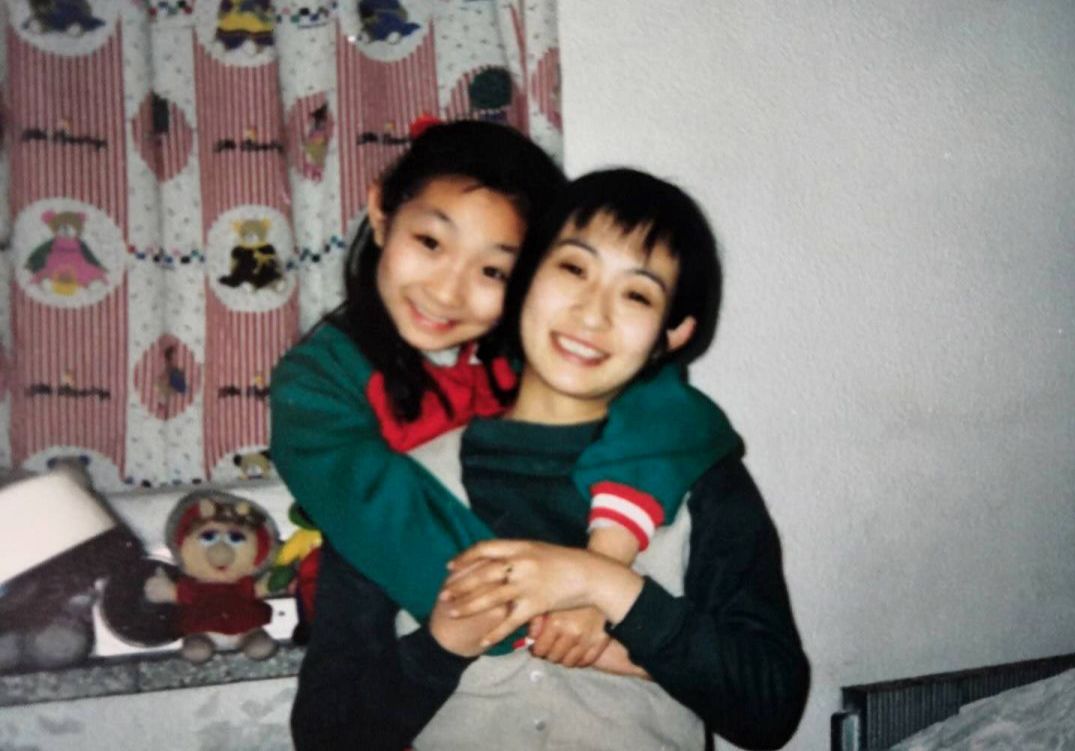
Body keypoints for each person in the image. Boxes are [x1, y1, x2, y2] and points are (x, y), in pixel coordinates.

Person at [291, 169, 810, 750]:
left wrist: (606, 586)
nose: (592, 314)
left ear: (673, 333)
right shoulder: (399, 486)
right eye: (573, 269)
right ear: (524, 278)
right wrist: (440, 647)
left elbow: (771, 708)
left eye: (637, 295)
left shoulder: (702, 477)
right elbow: (323, 737)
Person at [270, 122, 736, 650]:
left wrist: (604, 559)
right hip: (397, 646)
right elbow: (402, 537)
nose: (446, 292)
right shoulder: (316, 387)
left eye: (493, 271)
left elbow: (672, 408)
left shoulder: (525, 354)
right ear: (381, 212)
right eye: (430, 242)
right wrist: (586, 618)